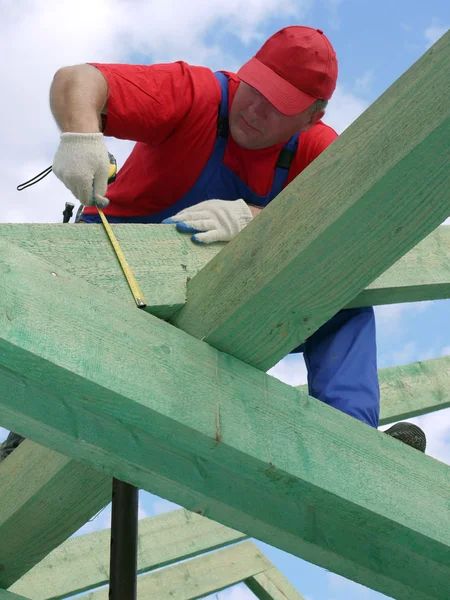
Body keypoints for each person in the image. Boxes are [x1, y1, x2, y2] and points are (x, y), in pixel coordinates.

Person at [0, 26, 426, 463]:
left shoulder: (318, 152)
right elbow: (77, 80)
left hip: (207, 306)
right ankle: (23, 446)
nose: (256, 109)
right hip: (109, 275)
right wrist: (80, 135)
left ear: (312, 117)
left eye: (279, 105)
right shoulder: (198, 95)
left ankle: (351, 446)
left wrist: (257, 221)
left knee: (343, 300)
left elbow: (358, 231)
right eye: (257, 87)